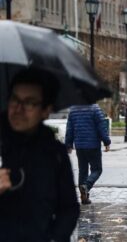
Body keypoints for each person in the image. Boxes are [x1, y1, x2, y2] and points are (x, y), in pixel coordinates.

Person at [0, 69, 79, 241]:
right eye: (15, 99)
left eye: (29, 103)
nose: (18, 109)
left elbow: (69, 208)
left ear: (45, 110)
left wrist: (54, 238)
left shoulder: (54, 153)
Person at [65, 104, 111, 205]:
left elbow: (69, 129)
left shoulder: (73, 109)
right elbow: (102, 127)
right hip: (93, 145)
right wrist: (107, 142)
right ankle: (86, 186)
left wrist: (68, 144)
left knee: (83, 171)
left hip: (80, 146)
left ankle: (84, 198)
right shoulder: (95, 109)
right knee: (97, 169)